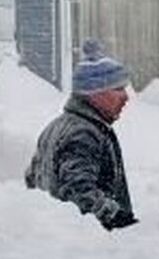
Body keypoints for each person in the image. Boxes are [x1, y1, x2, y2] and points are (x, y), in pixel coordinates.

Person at [25, 39, 137, 230]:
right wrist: (115, 218)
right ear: (94, 93)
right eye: (118, 89)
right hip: (87, 244)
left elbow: (32, 179)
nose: (126, 97)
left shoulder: (57, 126)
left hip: (56, 237)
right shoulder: (83, 134)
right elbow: (78, 190)